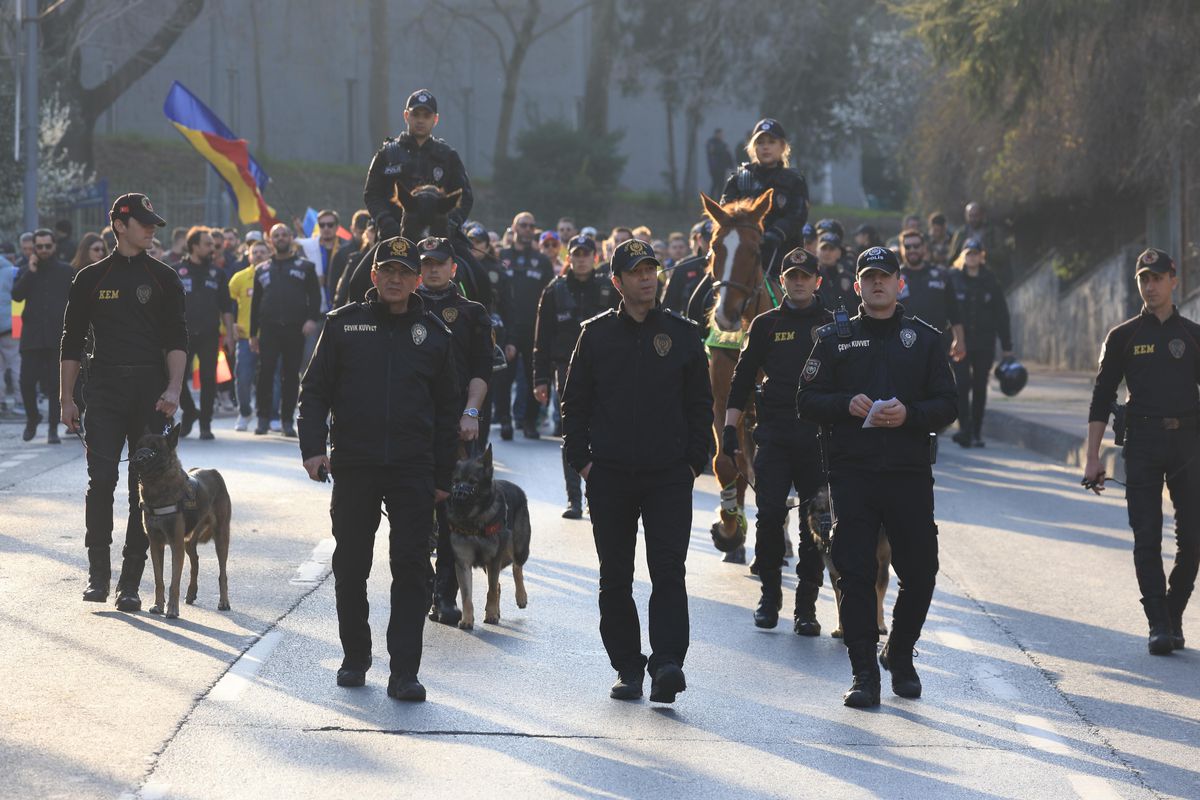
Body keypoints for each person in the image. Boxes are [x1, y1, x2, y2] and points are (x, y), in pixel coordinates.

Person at [298, 235, 459, 702]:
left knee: (411, 570)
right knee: (351, 565)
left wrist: (443, 478)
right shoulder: (343, 326)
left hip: (413, 469)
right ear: (373, 275)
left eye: (404, 272)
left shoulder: (434, 334)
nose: (395, 278)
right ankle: (355, 657)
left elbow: (448, 412)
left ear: (415, 281)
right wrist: (312, 449)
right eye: (386, 270)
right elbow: (314, 392)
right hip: (355, 463)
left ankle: (404, 672)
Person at [796, 245, 957, 708]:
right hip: (853, 472)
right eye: (869, 277)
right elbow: (806, 401)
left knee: (921, 571)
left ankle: (900, 654)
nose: (878, 284)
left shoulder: (925, 340)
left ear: (899, 283)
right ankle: (864, 674)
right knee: (855, 572)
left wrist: (910, 414)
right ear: (857, 285)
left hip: (908, 472)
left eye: (885, 276)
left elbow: (948, 404)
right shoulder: (832, 340)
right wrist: (845, 403)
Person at [561, 239, 713, 704]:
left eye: (653, 269)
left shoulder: (684, 334)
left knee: (668, 570)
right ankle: (628, 667)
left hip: (668, 474)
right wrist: (583, 461)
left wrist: (693, 461)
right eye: (637, 271)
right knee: (616, 576)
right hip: (609, 475)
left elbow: (699, 403)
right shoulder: (596, 334)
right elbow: (576, 404)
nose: (647, 277)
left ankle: (667, 662)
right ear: (618, 281)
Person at [59, 193, 187, 609]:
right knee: (102, 481)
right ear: (119, 225)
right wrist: (66, 399)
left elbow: (177, 339)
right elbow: (72, 341)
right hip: (106, 391)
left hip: (150, 392)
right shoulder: (90, 277)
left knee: (141, 487)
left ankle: (130, 582)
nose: (151, 229)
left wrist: (173, 389)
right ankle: (98, 574)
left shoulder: (165, 277)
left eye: (154, 224)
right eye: (144, 223)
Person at [1083, 248, 1200, 656]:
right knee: (1146, 536)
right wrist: (1093, 457)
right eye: (1143, 279)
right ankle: (1158, 624)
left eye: (1157, 278)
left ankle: (1173, 612)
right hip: (1144, 444)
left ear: (1173, 280)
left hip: (1188, 443)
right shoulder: (1124, 336)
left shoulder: (1193, 335)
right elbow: (1101, 398)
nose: (1150, 286)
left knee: (1194, 540)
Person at [724, 247, 832, 632]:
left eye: (806, 276)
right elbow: (740, 380)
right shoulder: (766, 324)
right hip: (774, 437)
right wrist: (727, 432)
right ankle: (769, 598)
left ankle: (807, 607)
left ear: (817, 281)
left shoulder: (834, 324)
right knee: (769, 518)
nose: (799, 281)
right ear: (781, 281)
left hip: (819, 441)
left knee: (815, 525)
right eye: (792, 275)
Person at [413, 236, 494, 626]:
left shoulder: (472, 312)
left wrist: (472, 413)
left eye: (439, 263)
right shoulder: (400, 306)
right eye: (426, 263)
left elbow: (482, 369)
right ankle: (424, 586)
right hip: (410, 424)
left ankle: (445, 594)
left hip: (455, 424)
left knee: (452, 511)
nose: (432, 269)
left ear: (453, 268)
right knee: (410, 510)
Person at [534, 235, 618, 519]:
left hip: (605, 370)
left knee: (603, 433)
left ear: (595, 257)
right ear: (569, 257)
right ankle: (574, 500)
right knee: (571, 432)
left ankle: (598, 493)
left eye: (586, 253)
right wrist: (539, 379)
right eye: (576, 254)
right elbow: (542, 339)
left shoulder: (609, 288)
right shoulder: (554, 290)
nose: (581, 258)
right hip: (566, 370)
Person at [363, 89, 473, 242]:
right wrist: (385, 221)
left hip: (440, 237)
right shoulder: (386, 154)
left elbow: (465, 196)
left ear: (435, 119)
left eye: (426, 116)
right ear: (406, 115)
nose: (420, 120)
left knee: (474, 265)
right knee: (359, 266)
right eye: (415, 114)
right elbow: (372, 194)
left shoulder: (448, 156)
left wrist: (451, 222)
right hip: (392, 236)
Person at [249, 224, 321, 437]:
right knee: (265, 374)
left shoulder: (305, 267)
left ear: (291, 238)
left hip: (295, 329)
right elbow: (256, 303)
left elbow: (315, 297)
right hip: (269, 330)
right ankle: (262, 419)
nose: (280, 238)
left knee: (290, 376)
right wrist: (253, 333)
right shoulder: (261, 269)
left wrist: (311, 320)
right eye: (276, 236)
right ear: (270, 240)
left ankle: (287, 421)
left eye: (284, 235)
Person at [719, 118, 809, 278]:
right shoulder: (738, 179)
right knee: (702, 295)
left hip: (784, 259)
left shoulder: (795, 180)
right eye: (760, 142)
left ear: (782, 147)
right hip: (742, 256)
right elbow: (725, 214)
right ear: (753, 148)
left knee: (811, 298)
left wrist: (775, 234)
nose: (765, 147)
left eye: (771, 142)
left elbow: (797, 216)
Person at [948, 238, 1012, 447]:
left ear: (981, 256)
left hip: (984, 342)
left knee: (979, 386)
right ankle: (964, 428)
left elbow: (1002, 315)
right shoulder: (953, 278)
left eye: (975, 253)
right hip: (960, 342)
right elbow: (946, 310)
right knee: (961, 384)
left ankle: (976, 431)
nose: (972, 257)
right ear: (962, 256)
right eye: (968, 253)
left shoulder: (990, 281)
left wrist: (1007, 347)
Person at [497, 211, 555, 440]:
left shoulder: (541, 261)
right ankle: (504, 420)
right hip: (507, 327)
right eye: (523, 225)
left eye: (531, 226)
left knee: (534, 376)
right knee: (503, 377)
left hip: (535, 328)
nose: (527, 229)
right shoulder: (501, 256)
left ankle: (529, 421)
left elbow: (550, 294)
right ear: (514, 228)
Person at [13, 229, 73, 444]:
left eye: (48, 246)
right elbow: (16, 296)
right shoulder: (26, 271)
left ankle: (53, 429)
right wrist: (30, 271)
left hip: (58, 337)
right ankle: (33, 417)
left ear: (54, 246)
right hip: (32, 337)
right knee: (26, 382)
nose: (44, 250)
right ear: (34, 248)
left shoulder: (67, 271)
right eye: (40, 247)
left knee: (56, 385)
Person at [176, 227, 235, 440]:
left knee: (210, 379)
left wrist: (229, 334)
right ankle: (190, 411)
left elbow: (226, 307)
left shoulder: (218, 274)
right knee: (177, 377)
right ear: (194, 246)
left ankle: (205, 423)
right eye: (207, 244)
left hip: (210, 335)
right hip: (181, 334)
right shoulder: (176, 270)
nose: (213, 247)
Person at [896, 228, 965, 360]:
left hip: (937, 344)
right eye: (907, 246)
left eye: (916, 246)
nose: (912, 250)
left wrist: (959, 340)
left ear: (924, 248)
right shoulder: (894, 277)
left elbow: (954, 311)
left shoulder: (941, 275)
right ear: (902, 249)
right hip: (904, 345)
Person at [229, 240, 270, 431]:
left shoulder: (273, 275)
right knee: (243, 377)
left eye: (263, 251)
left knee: (273, 379)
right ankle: (244, 412)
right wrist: (231, 327)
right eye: (256, 252)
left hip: (270, 336)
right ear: (249, 255)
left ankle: (272, 416)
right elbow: (229, 303)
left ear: (269, 253)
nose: (259, 255)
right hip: (246, 336)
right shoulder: (239, 277)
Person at [951, 202, 1011, 283]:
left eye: (976, 215)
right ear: (966, 216)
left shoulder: (993, 231)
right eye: (971, 216)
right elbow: (953, 258)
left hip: (990, 275)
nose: (973, 219)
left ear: (982, 215)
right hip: (967, 278)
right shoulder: (961, 234)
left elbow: (1002, 255)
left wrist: (984, 252)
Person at [661, 221, 711, 316]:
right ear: (700, 239)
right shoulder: (683, 266)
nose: (712, 244)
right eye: (708, 240)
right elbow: (670, 305)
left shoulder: (731, 266)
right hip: (689, 325)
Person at [0, 252, 18, 419]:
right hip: (10, 326)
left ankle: (1, 402)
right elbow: (19, 298)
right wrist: (18, 327)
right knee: (15, 364)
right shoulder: (12, 271)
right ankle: (20, 403)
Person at [706, 128, 735, 197]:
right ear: (716, 134)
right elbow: (712, 152)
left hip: (722, 168)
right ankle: (711, 199)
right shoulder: (711, 143)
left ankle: (719, 200)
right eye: (719, 134)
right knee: (715, 183)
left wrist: (731, 165)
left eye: (721, 134)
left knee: (721, 185)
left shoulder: (723, 144)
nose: (721, 135)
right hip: (715, 168)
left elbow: (728, 155)